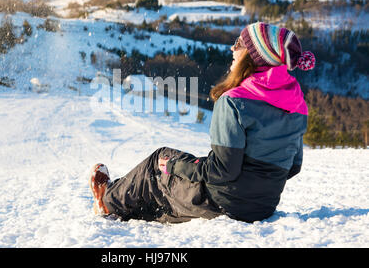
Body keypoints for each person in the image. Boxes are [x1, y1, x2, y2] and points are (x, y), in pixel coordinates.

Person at [89, 22, 316, 223]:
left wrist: (174, 167)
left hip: (223, 203)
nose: (232, 48)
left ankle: (108, 199)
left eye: (239, 43)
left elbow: (222, 171)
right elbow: (293, 166)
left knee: (159, 161)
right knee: (174, 176)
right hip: (264, 207)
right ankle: (126, 201)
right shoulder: (296, 103)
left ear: (253, 56)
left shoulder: (235, 101)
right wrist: (257, 185)